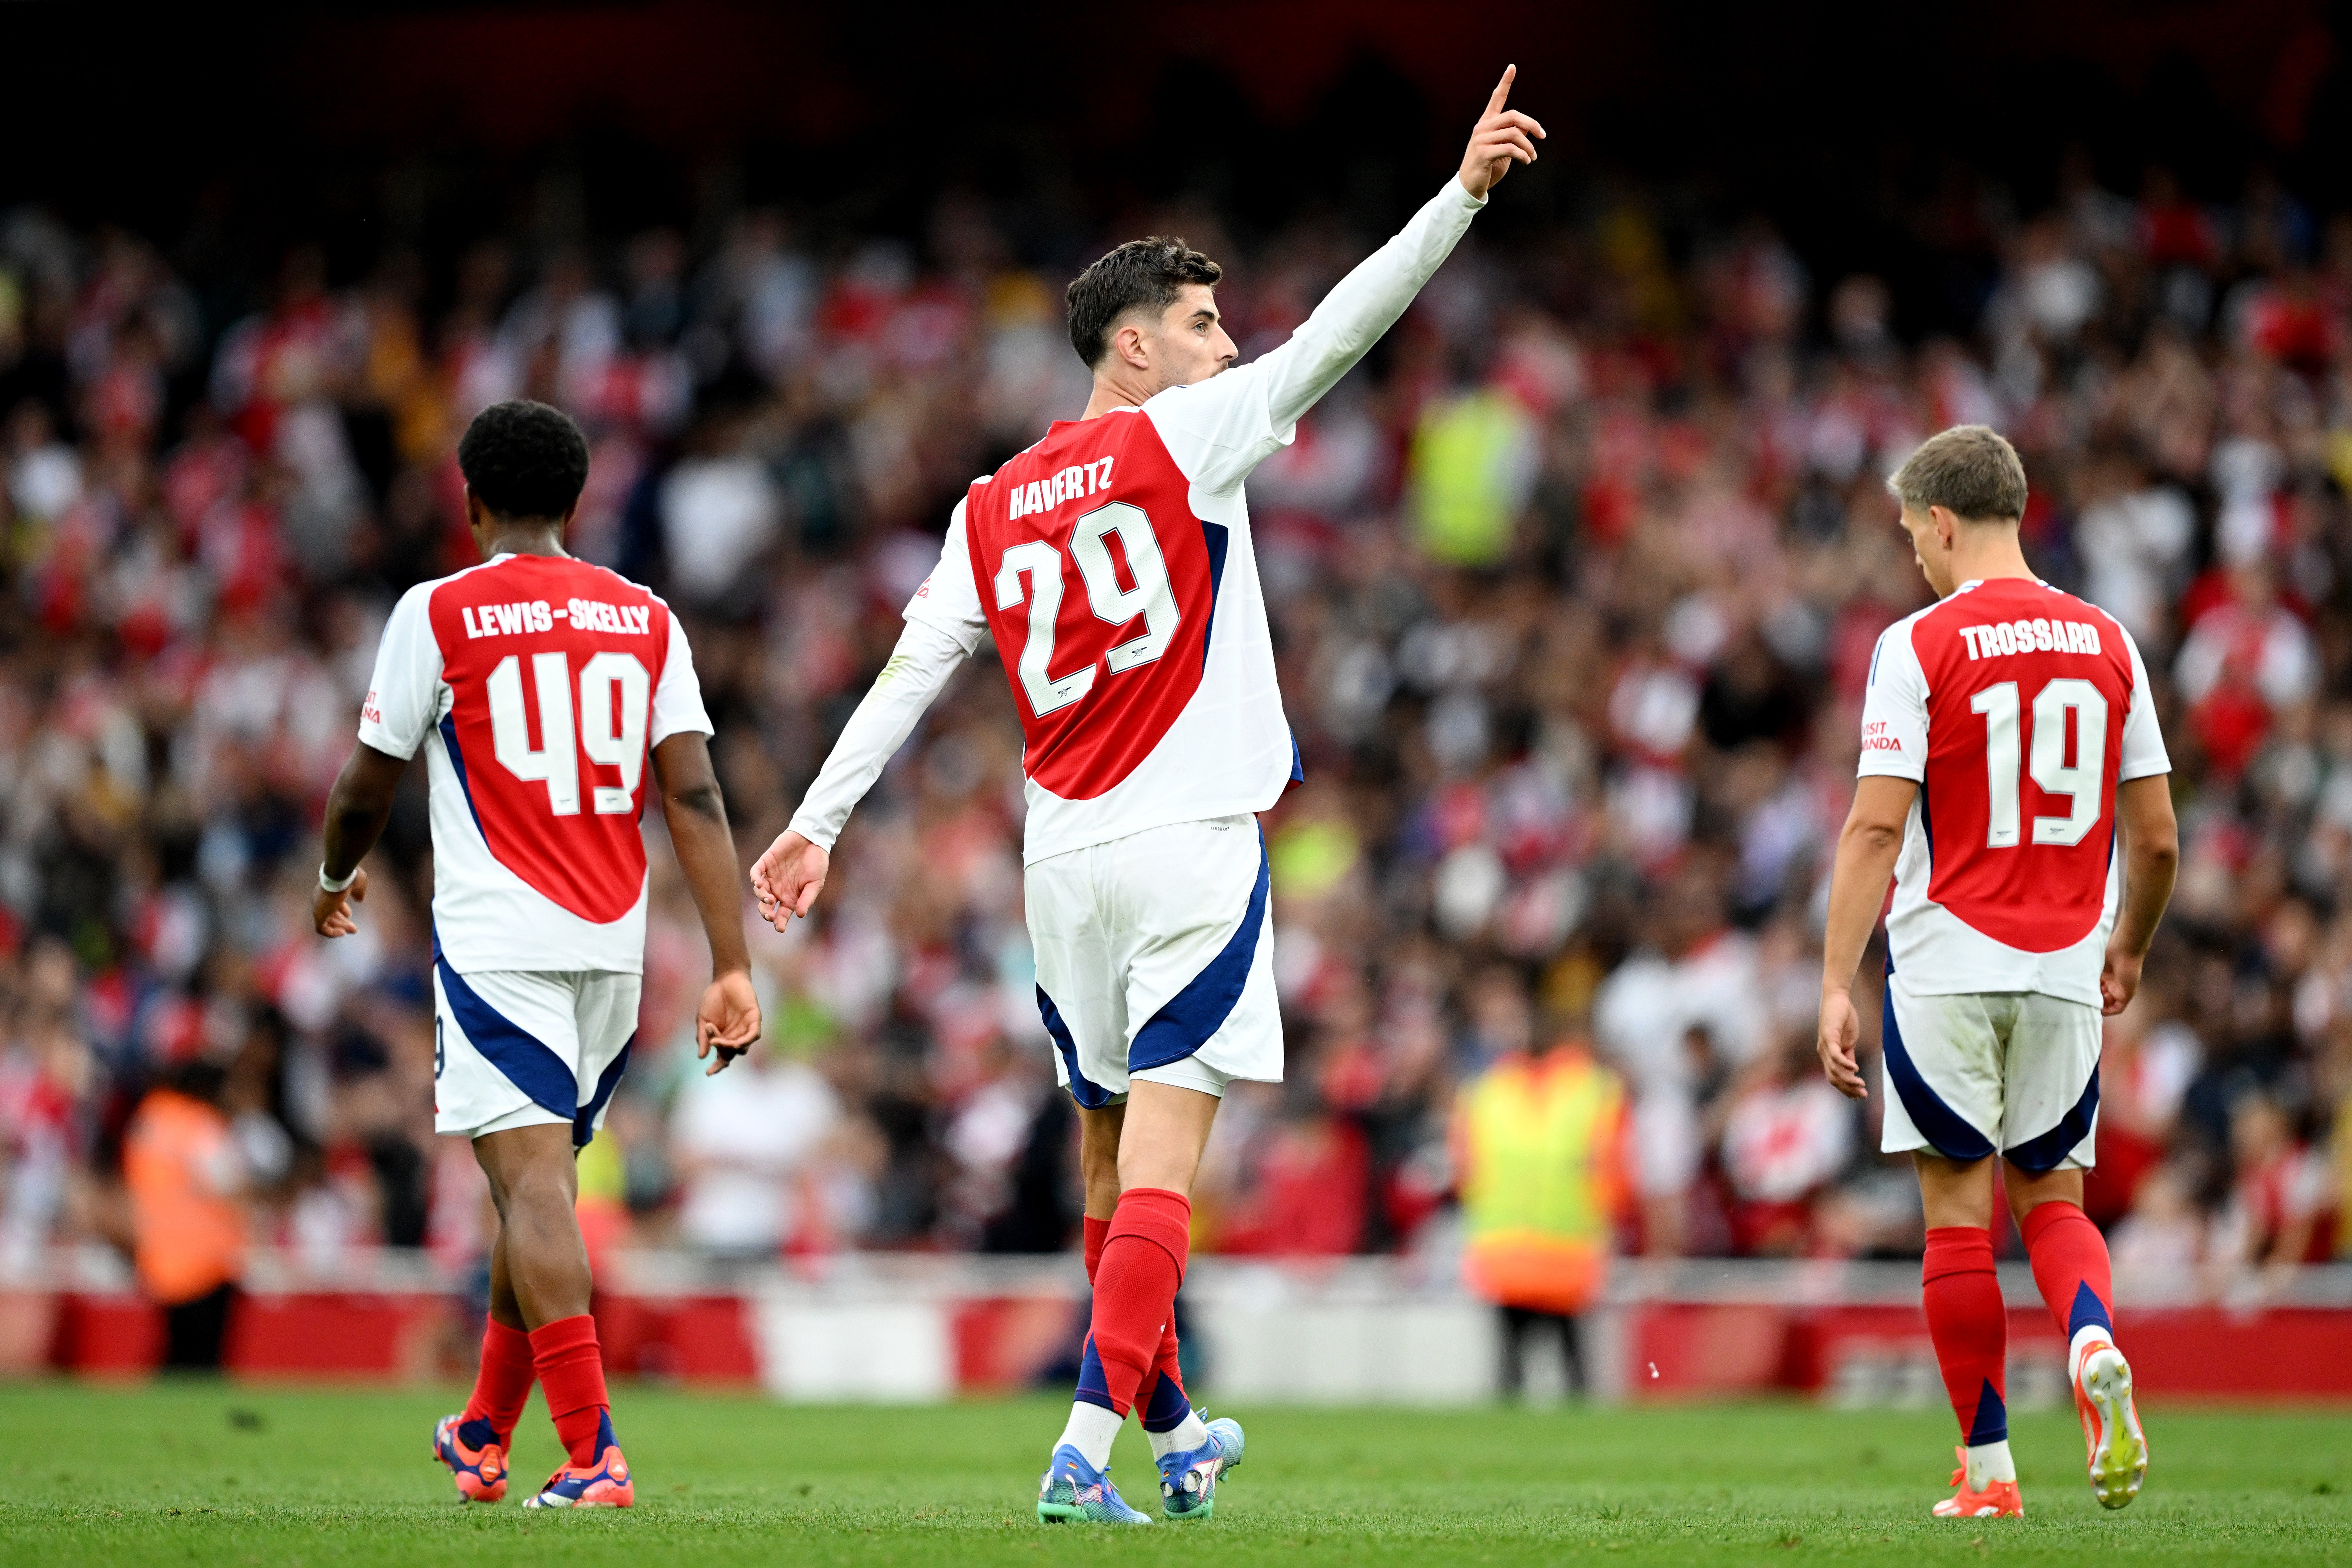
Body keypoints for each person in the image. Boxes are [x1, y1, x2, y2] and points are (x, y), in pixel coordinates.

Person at [751, 67, 1547, 1526]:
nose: (1224, 340)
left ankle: (1176, 1431)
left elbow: (910, 671)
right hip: (1188, 843)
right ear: (1131, 348)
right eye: (1198, 322)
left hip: (1060, 867)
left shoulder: (989, 503)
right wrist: (1460, 196)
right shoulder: (1183, 436)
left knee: (1110, 1159)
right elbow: (1347, 328)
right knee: (1169, 1166)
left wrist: (815, 822)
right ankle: (1082, 1446)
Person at [313, 399, 759, 1508]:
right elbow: (694, 794)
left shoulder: (437, 611)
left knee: (531, 1189)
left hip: (500, 940)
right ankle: (481, 1426)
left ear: (469, 504)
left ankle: (594, 1448)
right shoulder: (646, 616)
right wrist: (730, 960)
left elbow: (370, 776)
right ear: (577, 501)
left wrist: (332, 877)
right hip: (612, 944)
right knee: (537, 1191)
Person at [1816, 424, 2178, 1519]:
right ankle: (2094, 1339)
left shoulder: (1917, 643)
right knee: (2055, 1198)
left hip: (1947, 960)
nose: (1913, 556)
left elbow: (1878, 828)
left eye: (1910, 535)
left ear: (1940, 521)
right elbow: (2157, 836)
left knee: (1958, 1218)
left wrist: (1837, 977)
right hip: (2069, 960)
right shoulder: (2111, 638)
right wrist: (2131, 945)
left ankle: (1990, 1473)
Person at [1454, 1008, 1627, 1398]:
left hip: (1507, 1247)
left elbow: (1466, 1171)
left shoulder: (1485, 1091)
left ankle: (1501, 1451)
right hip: (1566, 1248)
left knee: (1510, 1369)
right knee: (1573, 1367)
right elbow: (1616, 1174)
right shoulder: (1596, 1090)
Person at [122, 1058, 246, 1371]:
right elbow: (228, 1184)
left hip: (159, 1254)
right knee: (202, 1359)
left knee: (175, 1346)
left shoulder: (151, 1119)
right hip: (206, 1259)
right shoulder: (199, 1124)